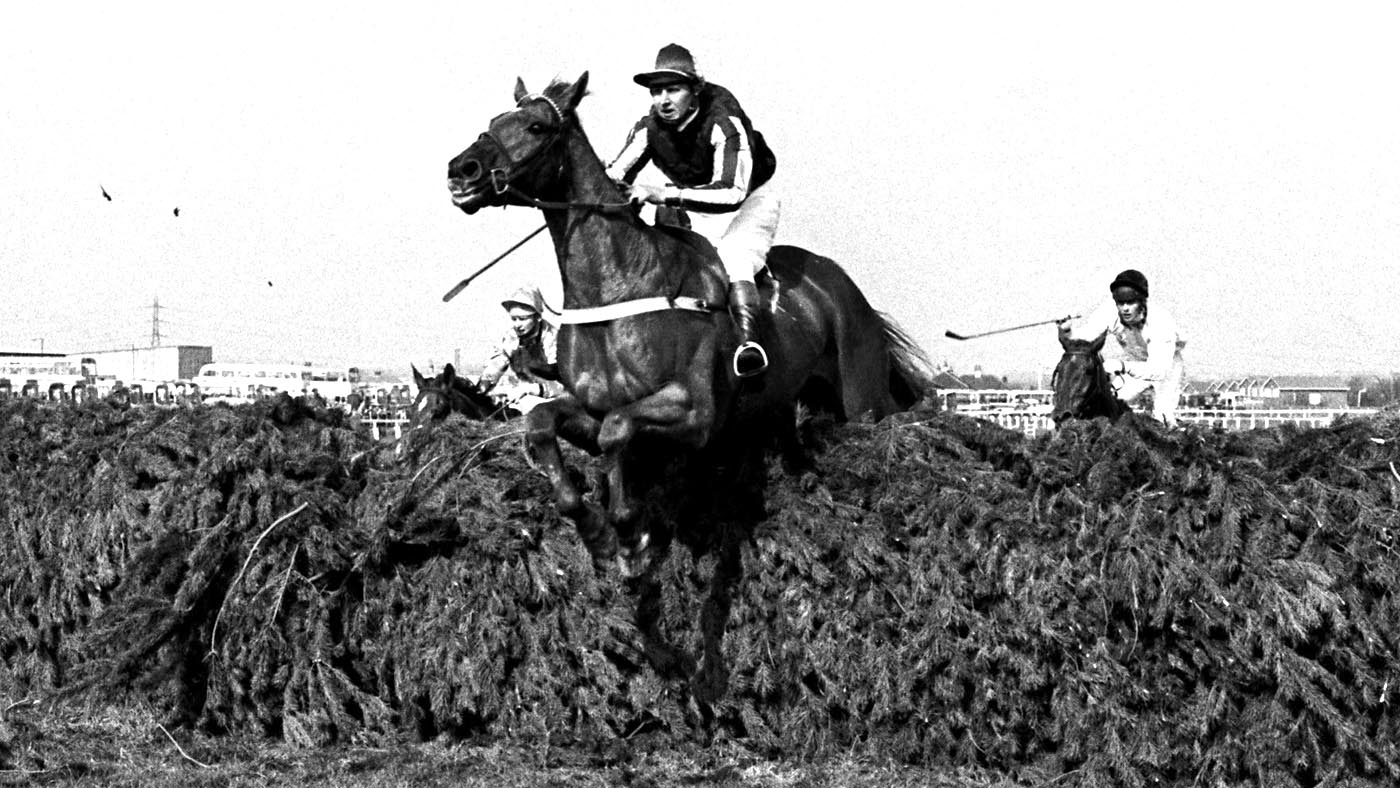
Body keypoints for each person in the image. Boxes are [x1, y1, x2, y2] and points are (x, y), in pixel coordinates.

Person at [606, 43, 779, 378]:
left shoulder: (724, 121)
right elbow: (615, 177)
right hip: (693, 203)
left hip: (748, 201)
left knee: (732, 259)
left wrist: (662, 194)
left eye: (674, 89)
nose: (664, 101)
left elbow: (731, 193)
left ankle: (748, 345)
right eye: (656, 92)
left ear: (695, 91)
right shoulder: (648, 128)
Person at [1059, 269, 1187, 425]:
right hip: (1134, 361)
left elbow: (1158, 371)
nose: (1125, 308)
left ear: (1142, 302)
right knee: (1110, 401)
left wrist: (1122, 365)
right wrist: (1066, 330)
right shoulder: (1108, 312)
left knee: (1163, 416)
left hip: (1166, 368)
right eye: (1120, 303)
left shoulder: (1161, 323)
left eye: (1131, 302)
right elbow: (1084, 339)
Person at [477, 285, 563, 413]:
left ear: (537, 317)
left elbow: (564, 384)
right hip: (523, 397)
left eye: (523, 319)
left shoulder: (553, 338)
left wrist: (532, 389)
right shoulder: (510, 338)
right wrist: (483, 386)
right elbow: (495, 367)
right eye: (514, 319)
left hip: (556, 399)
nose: (517, 325)